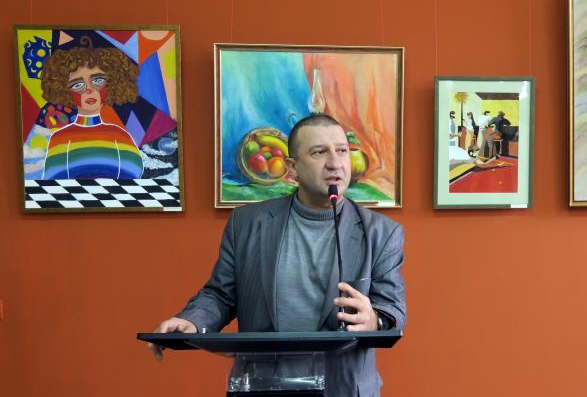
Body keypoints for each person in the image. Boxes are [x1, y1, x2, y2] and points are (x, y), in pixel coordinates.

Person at [149, 114, 406, 397]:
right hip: (261, 385)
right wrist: (193, 321)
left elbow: (392, 307)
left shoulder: (382, 232)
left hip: (343, 388)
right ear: (292, 168)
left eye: (342, 150)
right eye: (319, 152)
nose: (335, 162)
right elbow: (221, 295)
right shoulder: (247, 223)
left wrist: (374, 320)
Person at [40, 44, 143, 179]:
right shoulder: (60, 138)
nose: (89, 90)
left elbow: (134, 175)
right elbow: (53, 179)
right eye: (78, 85)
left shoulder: (119, 135)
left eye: (98, 80)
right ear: (64, 90)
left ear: (112, 84)